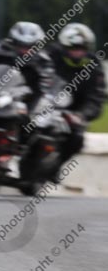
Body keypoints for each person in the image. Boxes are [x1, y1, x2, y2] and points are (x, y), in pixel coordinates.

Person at [45, 23, 107, 169]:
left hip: (73, 111)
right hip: (45, 104)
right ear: (64, 46)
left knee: (77, 138)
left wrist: (82, 115)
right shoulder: (49, 55)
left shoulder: (94, 66)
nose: (77, 52)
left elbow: (96, 96)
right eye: (73, 48)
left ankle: (55, 167)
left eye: (82, 49)